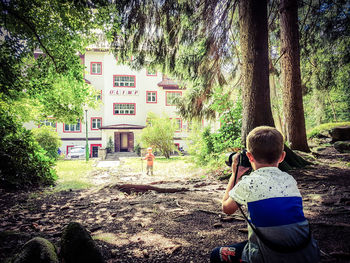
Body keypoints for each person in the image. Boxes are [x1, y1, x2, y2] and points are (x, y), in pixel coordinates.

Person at [210, 126, 320, 263]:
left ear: (249, 156)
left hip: (269, 258)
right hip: (308, 255)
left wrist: (235, 174)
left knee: (216, 254)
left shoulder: (248, 183)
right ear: (282, 157)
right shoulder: (290, 180)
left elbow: (226, 208)